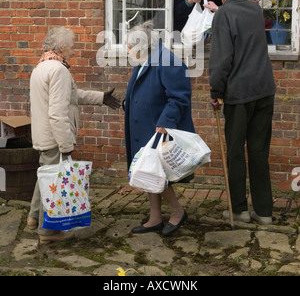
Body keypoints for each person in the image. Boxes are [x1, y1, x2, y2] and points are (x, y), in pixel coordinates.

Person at [27, 27, 121, 244]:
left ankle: (33, 217)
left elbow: (70, 95)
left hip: (42, 134)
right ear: (61, 47)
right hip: (54, 136)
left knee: (46, 175)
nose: (73, 51)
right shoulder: (59, 70)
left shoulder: (41, 66)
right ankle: (47, 233)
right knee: (54, 182)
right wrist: (66, 144)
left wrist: (100, 98)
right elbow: (58, 112)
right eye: (71, 46)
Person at [209, 0, 276, 225]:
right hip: (264, 89)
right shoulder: (255, 10)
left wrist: (216, 92)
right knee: (259, 151)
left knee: (236, 152)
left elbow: (222, 59)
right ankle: (265, 211)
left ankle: (239, 210)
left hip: (238, 93)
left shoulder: (223, 14)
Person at [124, 21, 195, 236]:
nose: (127, 51)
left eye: (129, 46)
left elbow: (180, 97)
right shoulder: (144, 60)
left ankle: (177, 211)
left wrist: (165, 122)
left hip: (160, 129)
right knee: (147, 172)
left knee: (157, 175)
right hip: (145, 127)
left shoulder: (168, 62)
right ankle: (155, 217)